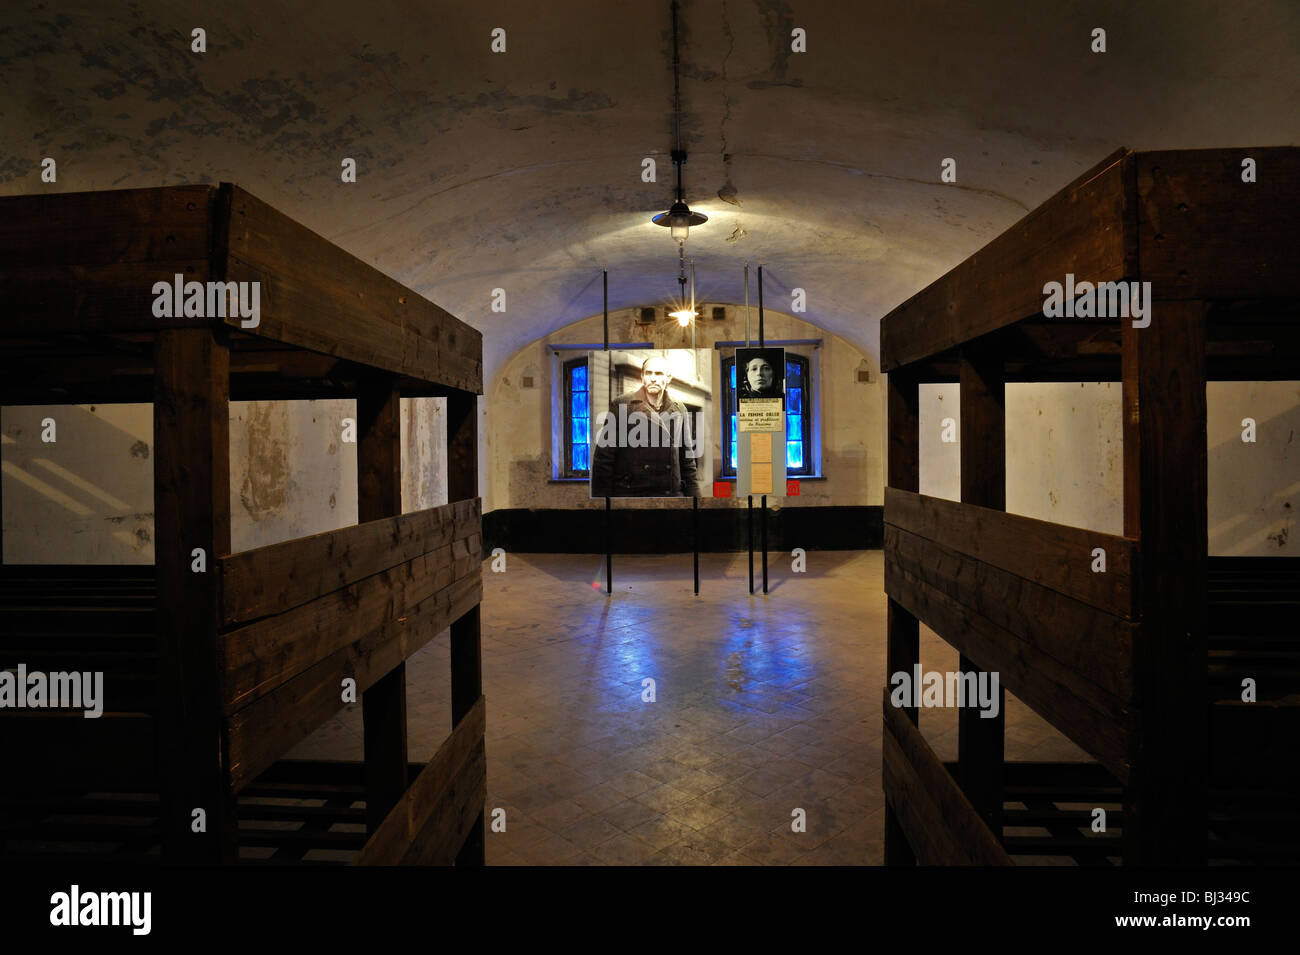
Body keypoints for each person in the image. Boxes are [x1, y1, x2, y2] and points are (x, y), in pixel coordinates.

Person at [591, 355, 700, 497]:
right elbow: (603, 461)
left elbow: (688, 463)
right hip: (633, 496)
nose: (653, 378)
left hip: (671, 497)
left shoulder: (680, 409)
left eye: (659, 373)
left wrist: (697, 503)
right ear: (642, 377)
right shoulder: (622, 405)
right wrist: (603, 506)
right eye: (648, 373)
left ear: (668, 379)